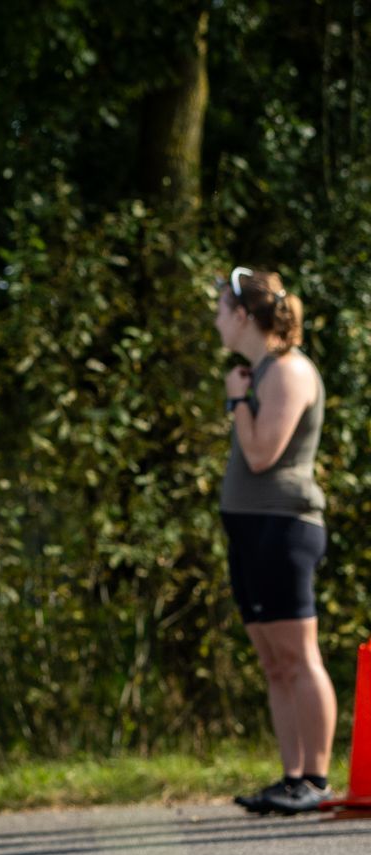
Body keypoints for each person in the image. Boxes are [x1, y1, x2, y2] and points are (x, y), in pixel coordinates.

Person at [216, 267, 334, 816]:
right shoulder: (260, 371)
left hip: (284, 526)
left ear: (244, 316)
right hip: (250, 529)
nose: (216, 321)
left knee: (298, 654)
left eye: (221, 310)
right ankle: (291, 778)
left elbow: (263, 454)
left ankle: (316, 777)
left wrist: (238, 401)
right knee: (273, 662)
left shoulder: (287, 371)